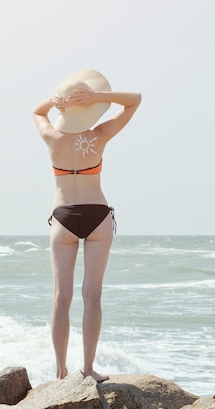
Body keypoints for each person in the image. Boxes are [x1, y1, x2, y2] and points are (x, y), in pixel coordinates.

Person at [32, 69, 141, 383]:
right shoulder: (99, 135)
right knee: (93, 295)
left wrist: (55, 103)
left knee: (60, 297)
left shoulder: (51, 136)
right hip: (97, 215)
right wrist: (99, 97)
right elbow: (134, 101)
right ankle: (90, 369)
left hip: (64, 216)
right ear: (89, 110)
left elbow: (37, 112)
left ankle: (60, 371)